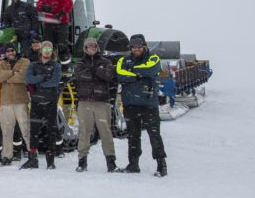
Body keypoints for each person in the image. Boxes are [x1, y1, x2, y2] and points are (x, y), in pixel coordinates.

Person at [116, 34, 167, 177]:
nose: (136, 49)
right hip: (130, 104)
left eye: (139, 46)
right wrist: (139, 74)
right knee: (133, 136)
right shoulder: (123, 60)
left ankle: (161, 164)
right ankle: (133, 164)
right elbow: (120, 74)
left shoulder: (154, 58)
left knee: (154, 135)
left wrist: (132, 72)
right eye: (133, 47)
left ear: (144, 46)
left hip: (149, 105)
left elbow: (151, 69)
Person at [73, 38, 121, 172]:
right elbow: (79, 76)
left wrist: (93, 71)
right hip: (84, 102)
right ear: (85, 48)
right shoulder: (80, 62)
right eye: (88, 46)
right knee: (84, 133)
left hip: (101, 102)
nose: (91, 47)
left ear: (97, 47)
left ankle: (111, 162)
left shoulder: (106, 62)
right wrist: (97, 71)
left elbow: (108, 76)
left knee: (106, 132)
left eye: (94, 45)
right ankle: (82, 162)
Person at [21, 41, 62, 169]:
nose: (47, 52)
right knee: (34, 130)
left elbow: (54, 81)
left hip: (50, 102)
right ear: (41, 51)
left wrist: (39, 81)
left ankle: (50, 161)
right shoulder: (33, 65)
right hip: (36, 102)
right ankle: (32, 159)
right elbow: (28, 79)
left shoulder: (56, 65)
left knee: (51, 131)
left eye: (49, 50)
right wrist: (43, 78)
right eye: (45, 49)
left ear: (52, 52)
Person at [0, 43, 31, 166]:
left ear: (16, 51)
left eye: (12, 50)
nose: (11, 53)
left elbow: (22, 77)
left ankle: (32, 153)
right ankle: (6, 156)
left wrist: (8, 76)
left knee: (26, 129)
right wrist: (13, 73)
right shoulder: (1, 63)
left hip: (20, 100)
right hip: (6, 102)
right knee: (6, 131)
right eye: (8, 51)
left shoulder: (24, 61)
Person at [36, 0, 73, 65]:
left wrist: (62, 12)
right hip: (49, 24)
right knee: (47, 45)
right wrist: (44, 7)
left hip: (61, 23)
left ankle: (65, 65)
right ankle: (48, 64)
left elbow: (69, 4)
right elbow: (38, 5)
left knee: (62, 45)